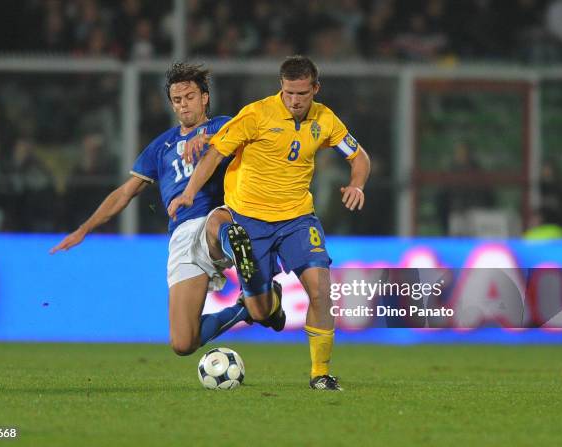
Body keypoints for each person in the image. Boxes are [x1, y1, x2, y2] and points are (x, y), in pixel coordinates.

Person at [169, 55, 371, 390]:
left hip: (297, 219)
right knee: (261, 312)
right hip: (249, 219)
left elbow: (358, 156)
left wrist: (357, 184)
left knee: (321, 289)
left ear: (315, 89)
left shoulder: (325, 119)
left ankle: (320, 374)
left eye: (302, 94)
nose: (294, 101)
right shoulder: (257, 114)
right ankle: (262, 293)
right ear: (281, 87)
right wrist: (190, 192)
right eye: (289, 93)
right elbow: (216, 152)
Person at [50, 63, 266, 356]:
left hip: (219, 214)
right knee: (183, 343)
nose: (183, 105)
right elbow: (125, 193)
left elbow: (259, 145)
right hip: (181, 237)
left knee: (218, 224)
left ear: (204, 97)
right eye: (177, 100)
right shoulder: (160, 147)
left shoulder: (224, 126)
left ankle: (244, 256)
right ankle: (245, 309)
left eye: (189, 97)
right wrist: (84, 229)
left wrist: (211, 140)